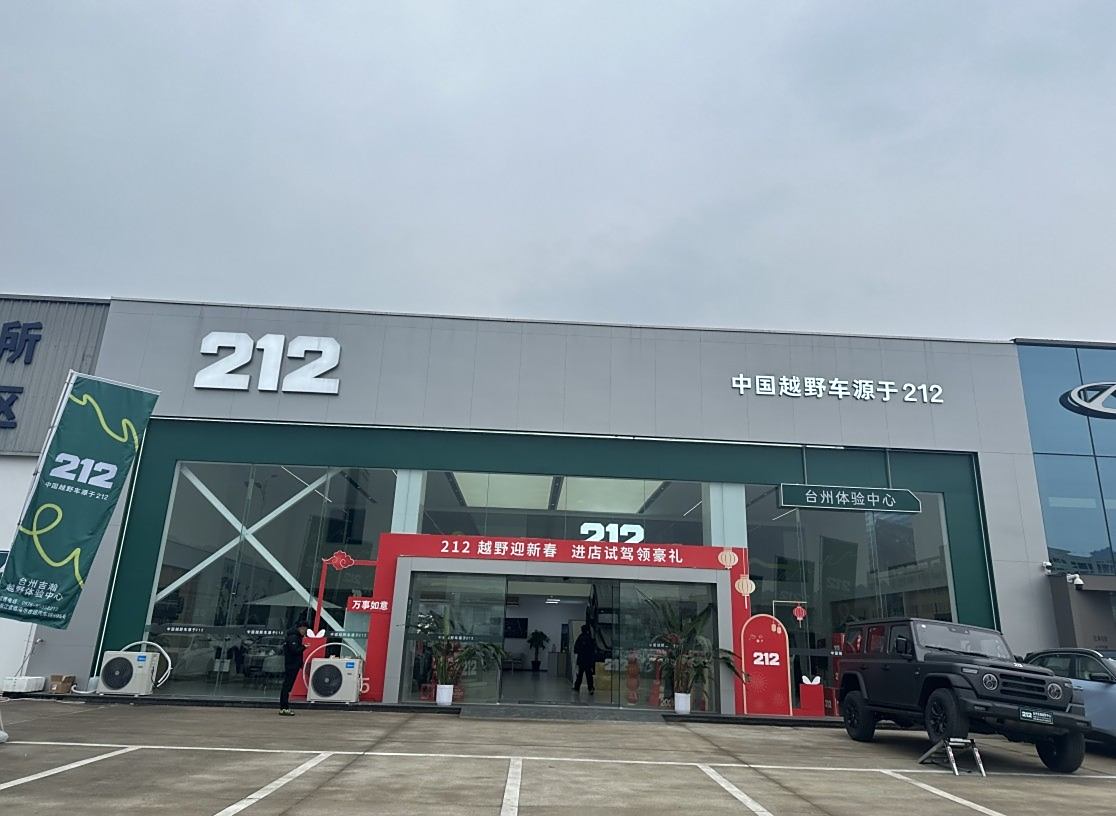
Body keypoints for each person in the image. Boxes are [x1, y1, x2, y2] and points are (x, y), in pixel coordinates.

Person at [279, 618, 309, 716]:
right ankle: (284, 707)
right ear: (300, 628)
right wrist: (304, 647)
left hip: (293, 664)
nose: (304, 631)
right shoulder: (293, 637)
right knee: (287, 686)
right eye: (304, 629)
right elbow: (295, 650)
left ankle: (284, 706)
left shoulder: (295, 636)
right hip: (291, 665)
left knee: (287, 686)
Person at [572, 624, 596, 694]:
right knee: (589, 675)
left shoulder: (580, 637)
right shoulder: (590, 638)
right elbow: (593, 650)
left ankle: (577, 687)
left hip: (581, 660)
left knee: (580, 675)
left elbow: (575, 649)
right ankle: (590, 688)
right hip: (588, 660)